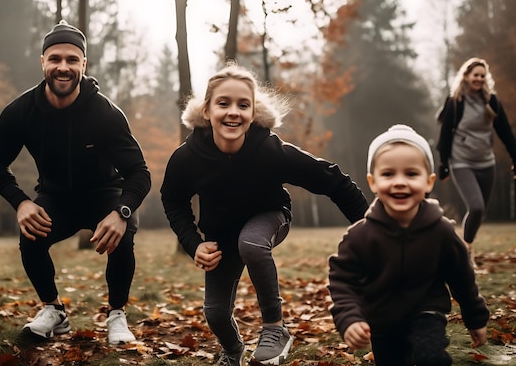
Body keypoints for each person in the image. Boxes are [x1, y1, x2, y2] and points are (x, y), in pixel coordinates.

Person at [160, 63, 368, 366]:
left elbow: (334, 180)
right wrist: (194, 243)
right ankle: (232, 350)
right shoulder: (187, 158)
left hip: (270, 216)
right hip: (221, 235)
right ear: (206, 111)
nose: (233, 111)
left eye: (243, 105)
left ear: (253, 112)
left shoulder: (270, 150)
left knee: (252, 243)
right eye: (223, 103)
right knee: (215, 314)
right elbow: (173, 200)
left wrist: (370, 228)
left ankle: (275, 328)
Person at [0, 20, 151, 344]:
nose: (64, 67)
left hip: (105, 194)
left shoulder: (106, 113)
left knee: (123, 234)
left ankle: (117, 314)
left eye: (72, 60)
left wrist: (123, 212)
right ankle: (54, 311)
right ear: (43, 62)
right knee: (30, 233)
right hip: (55, 196)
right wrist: (21, 202)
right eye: (55, 58)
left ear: (84, 65)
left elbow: (140, 172)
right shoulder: (21, 112)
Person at [328, 124, 489, 366]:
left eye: (411, 174)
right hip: (381, 321)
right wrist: (349, 319)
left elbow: (462, 277)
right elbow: (342, 282)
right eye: (388, 174)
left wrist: (475, 319)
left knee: (430, 356)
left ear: (429, 182)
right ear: (372, 182)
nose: (400, 182)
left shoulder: (441, 231)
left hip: (428, 313)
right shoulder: (360, 237)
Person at [436, 57, 516, 267]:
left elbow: (505, 132)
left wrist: (514, 156)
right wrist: (443, 163)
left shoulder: (491, 101)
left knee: (480, 211)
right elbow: (445, 135)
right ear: (466, 76)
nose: (479, 78)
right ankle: (465, 249)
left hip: (486, 162)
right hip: (462, 162)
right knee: (477, 207)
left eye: (482, 75)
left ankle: (467, 245)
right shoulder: (456, 101)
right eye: (475, 75)